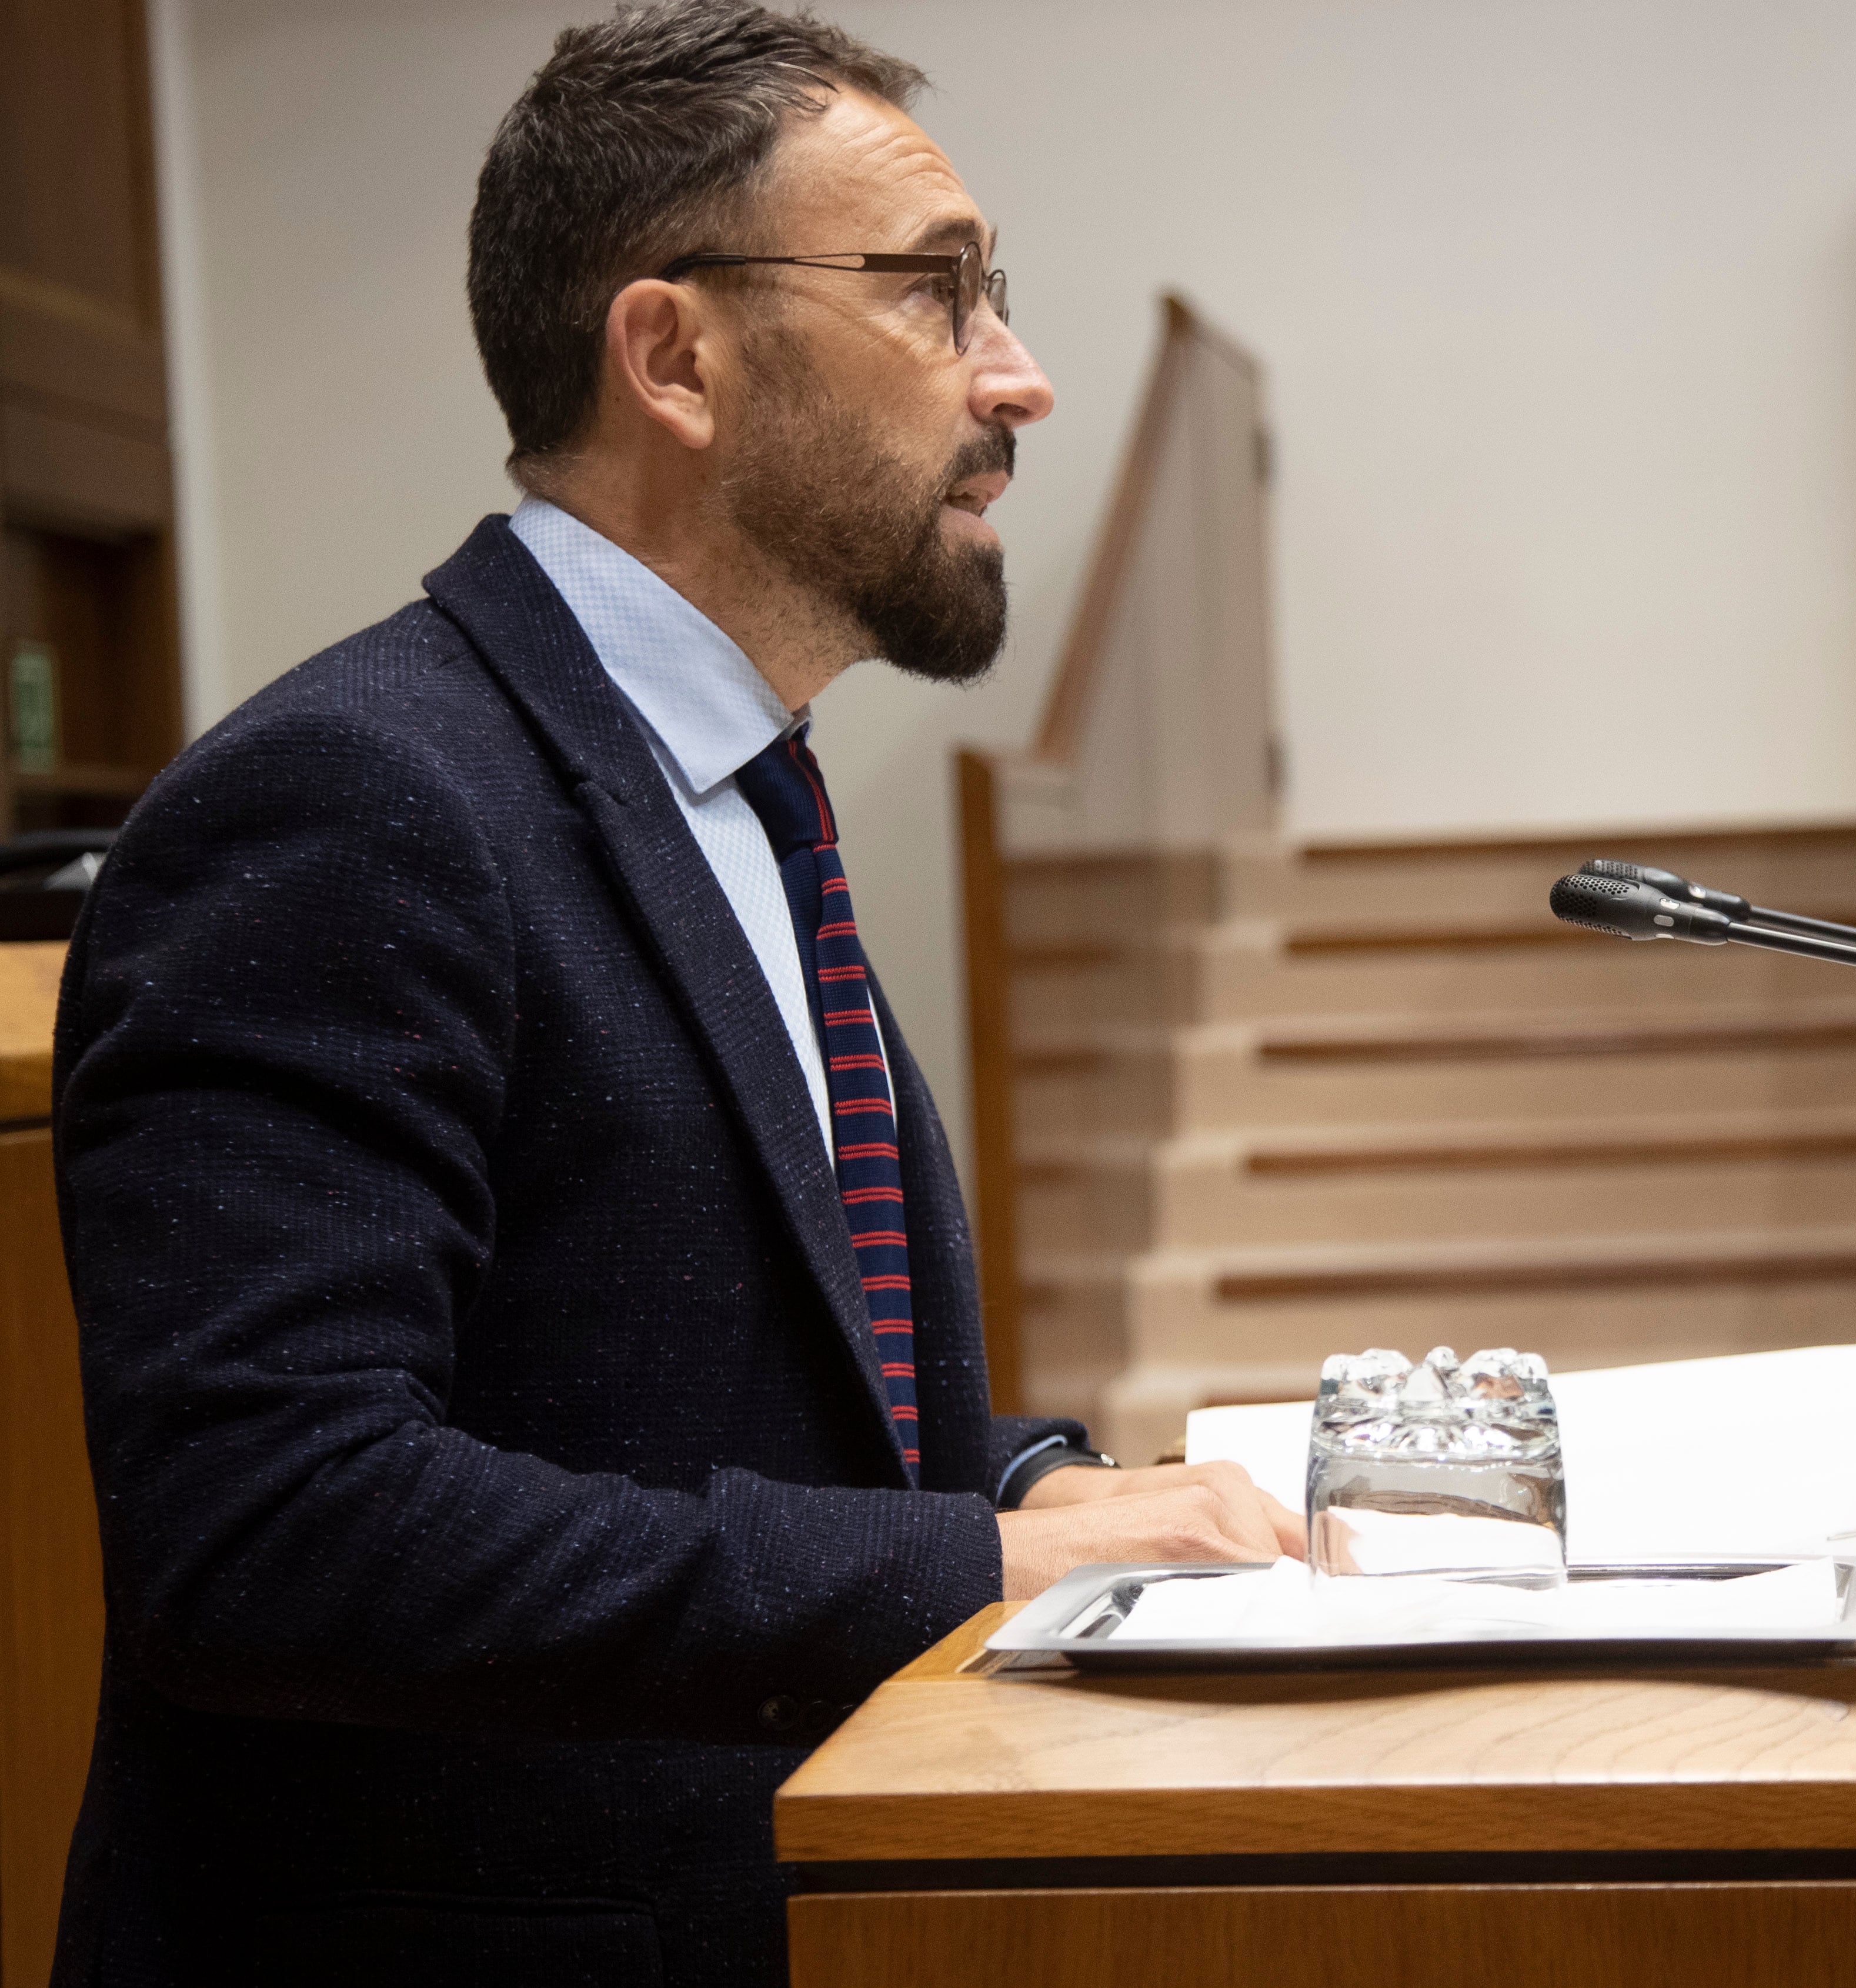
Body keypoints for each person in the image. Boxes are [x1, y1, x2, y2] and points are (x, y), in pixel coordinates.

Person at [46, 6, 1302, 1983]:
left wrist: (1048, 1481)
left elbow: (672, 1378)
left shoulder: (730, 783)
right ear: (674, 356)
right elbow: (274, 1526)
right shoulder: (351, 800)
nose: (1020, 378)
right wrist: (972, 1559)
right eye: (935, 293)